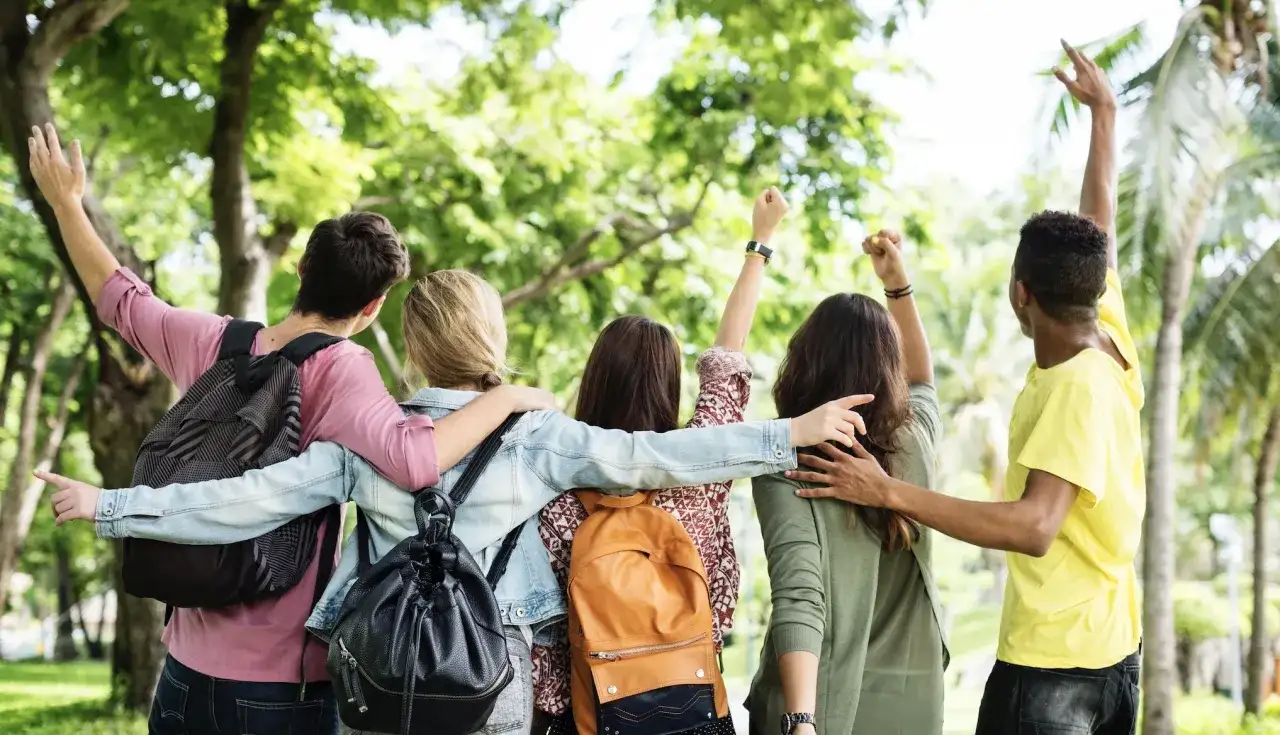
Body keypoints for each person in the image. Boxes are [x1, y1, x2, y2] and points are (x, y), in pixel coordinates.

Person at [43, 272, 873, 733]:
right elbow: (661, 454)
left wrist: (110, 504)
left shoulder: (365, 439)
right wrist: (787, 432)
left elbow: (242, 501)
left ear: (410, 348)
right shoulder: (538, 436)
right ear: (492, 342)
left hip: (375, 682)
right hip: (492, 684)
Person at [26, 125, 555, 734]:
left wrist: (67, 204)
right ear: (373, 306)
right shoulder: (343, 370)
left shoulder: (214, 342)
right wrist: (509, 395)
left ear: (301, 268)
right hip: (279, 687)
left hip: (182, 673)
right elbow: (417, 460)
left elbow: (119, 297)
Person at [784, 42, 1144, 734]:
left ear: (1020, 295)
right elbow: (1098, 224)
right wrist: (1105, 116)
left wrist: (887, 490)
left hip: (1055, 670)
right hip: (1113, 652)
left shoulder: (1076, 387)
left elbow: (1034, 525)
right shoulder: (1106, 328)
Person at [531, 187, 793, 733]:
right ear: (670, 387)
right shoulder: (700, 470)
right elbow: (728, 357)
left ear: (594, 379)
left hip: (587, 715)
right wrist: (759, 243)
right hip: (690, 704)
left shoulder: (551, 482)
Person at [745, 228, 946, 735]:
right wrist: (898, 286)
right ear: (888, 370)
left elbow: (799, 596)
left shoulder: (789, 462)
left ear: (804, 362)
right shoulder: (913, 444)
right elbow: (922, 380)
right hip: (914, 700)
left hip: (826, 705)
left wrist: (800, 720)